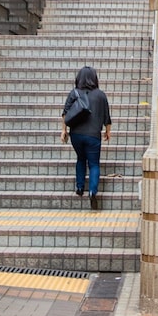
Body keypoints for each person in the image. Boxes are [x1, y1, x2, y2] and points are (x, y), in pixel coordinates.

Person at [60, 66, 111, 210]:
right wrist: (108, 131)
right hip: (93, 135)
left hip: (76, 134)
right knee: (94, 164)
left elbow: (65, 114)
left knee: (81, 159)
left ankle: (80, 187)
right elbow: (107, 117)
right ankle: (92, 192)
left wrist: (64, 131)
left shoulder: (74, 93)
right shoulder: (101, 95)